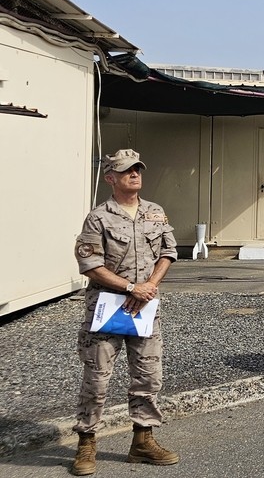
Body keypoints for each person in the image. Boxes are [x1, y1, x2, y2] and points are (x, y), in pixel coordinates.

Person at [70, 149, 179, 476]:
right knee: (97, 378)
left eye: (137, 169)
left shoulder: (155, 212)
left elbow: (168, 252)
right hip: (107, 308)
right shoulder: (99, 217)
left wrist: (148, 287)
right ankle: (87, 442)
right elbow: (89, 264)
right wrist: (130, 288)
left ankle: (142, 441)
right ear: (110, 178)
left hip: (144, 306)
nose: (134, 174)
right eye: (126, 170)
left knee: (148, 376)